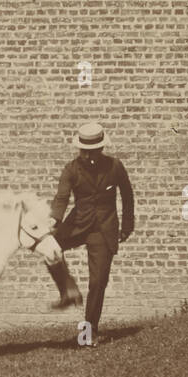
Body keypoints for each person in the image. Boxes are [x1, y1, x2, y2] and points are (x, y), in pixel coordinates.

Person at [45, 123, 135, 347]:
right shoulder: (71, 169)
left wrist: (126, 226)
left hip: (103, 230)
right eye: (83, 150)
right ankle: (68, 290)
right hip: (77, 223)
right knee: (49, 247)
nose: (86, 155)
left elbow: (127, 196)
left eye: (91, 151)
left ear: (101, 149)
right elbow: (61, 198)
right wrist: (55, 220)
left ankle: (89, 332)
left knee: (98, 282)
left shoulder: (115, 167)